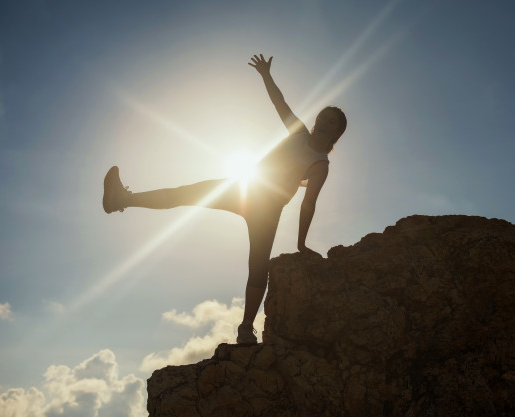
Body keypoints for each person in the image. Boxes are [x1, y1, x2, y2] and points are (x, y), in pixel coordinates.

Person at [102, 54, 347, 344]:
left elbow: (309, 204)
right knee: (186, 193)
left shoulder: (320, 164)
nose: (322, 121)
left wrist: (301, 243)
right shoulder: (299, 133)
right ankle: (121, 200)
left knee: (258, 266)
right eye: (322, 116)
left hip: (267, 210)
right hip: (245, 187)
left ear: (335, 133)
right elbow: (280, 104)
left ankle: (246, 329)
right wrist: (265, 75)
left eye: (329, 122)